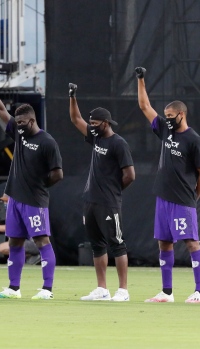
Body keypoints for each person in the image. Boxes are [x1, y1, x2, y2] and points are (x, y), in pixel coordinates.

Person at [0, 76, 63, 300]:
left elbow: (58, 174)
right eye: (16, 123)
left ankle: (47, 290)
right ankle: (13, 288)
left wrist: (38, 186)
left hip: (35, 200)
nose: (18, 126)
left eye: (21, 123)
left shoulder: (47, 142)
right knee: (14, 242)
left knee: (41, 241)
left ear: (32, 120)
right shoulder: (19, 133)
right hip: (15, 199)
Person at [136, 66, 200, 304]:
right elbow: (145, 107)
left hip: (183, 199)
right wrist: (141, 79)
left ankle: (199, 292)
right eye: (165, 117)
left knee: (190, 242)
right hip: (163, 197)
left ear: (181, 115)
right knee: (164, 243)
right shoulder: (166, 133)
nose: (167, 120)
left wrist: (193, 196)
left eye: (171, 117)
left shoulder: (194, 140)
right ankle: (166, 292)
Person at [68, 83, 135, 302]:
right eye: (92, 124)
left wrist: (113, 191)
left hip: (109, 202)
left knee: (117, 243)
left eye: (95, 124)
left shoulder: (118, 143)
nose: (92, 127)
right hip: (91, 201)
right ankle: (102, 289)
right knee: (96, 245)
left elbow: (130, 175)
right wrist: (73, 97)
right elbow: (76, 120)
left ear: (106, 123)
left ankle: (123, 290)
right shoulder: (96, 137)